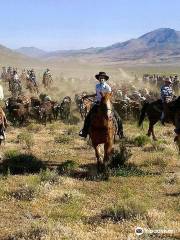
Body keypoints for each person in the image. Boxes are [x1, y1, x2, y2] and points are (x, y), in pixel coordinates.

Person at [79, 72, 123, 138]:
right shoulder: (97, 86)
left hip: (107, 104)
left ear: (105, 79)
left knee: (118, 118)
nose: (101, 79)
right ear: (98, 79)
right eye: (100, 77)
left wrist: (108, 102)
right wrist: (88, 96)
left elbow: (110, 96)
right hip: (98, 103)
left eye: (103, 78)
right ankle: (84, 131)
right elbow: (97, 94)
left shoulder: (108, 87)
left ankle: (120, 133)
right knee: (88, 117)